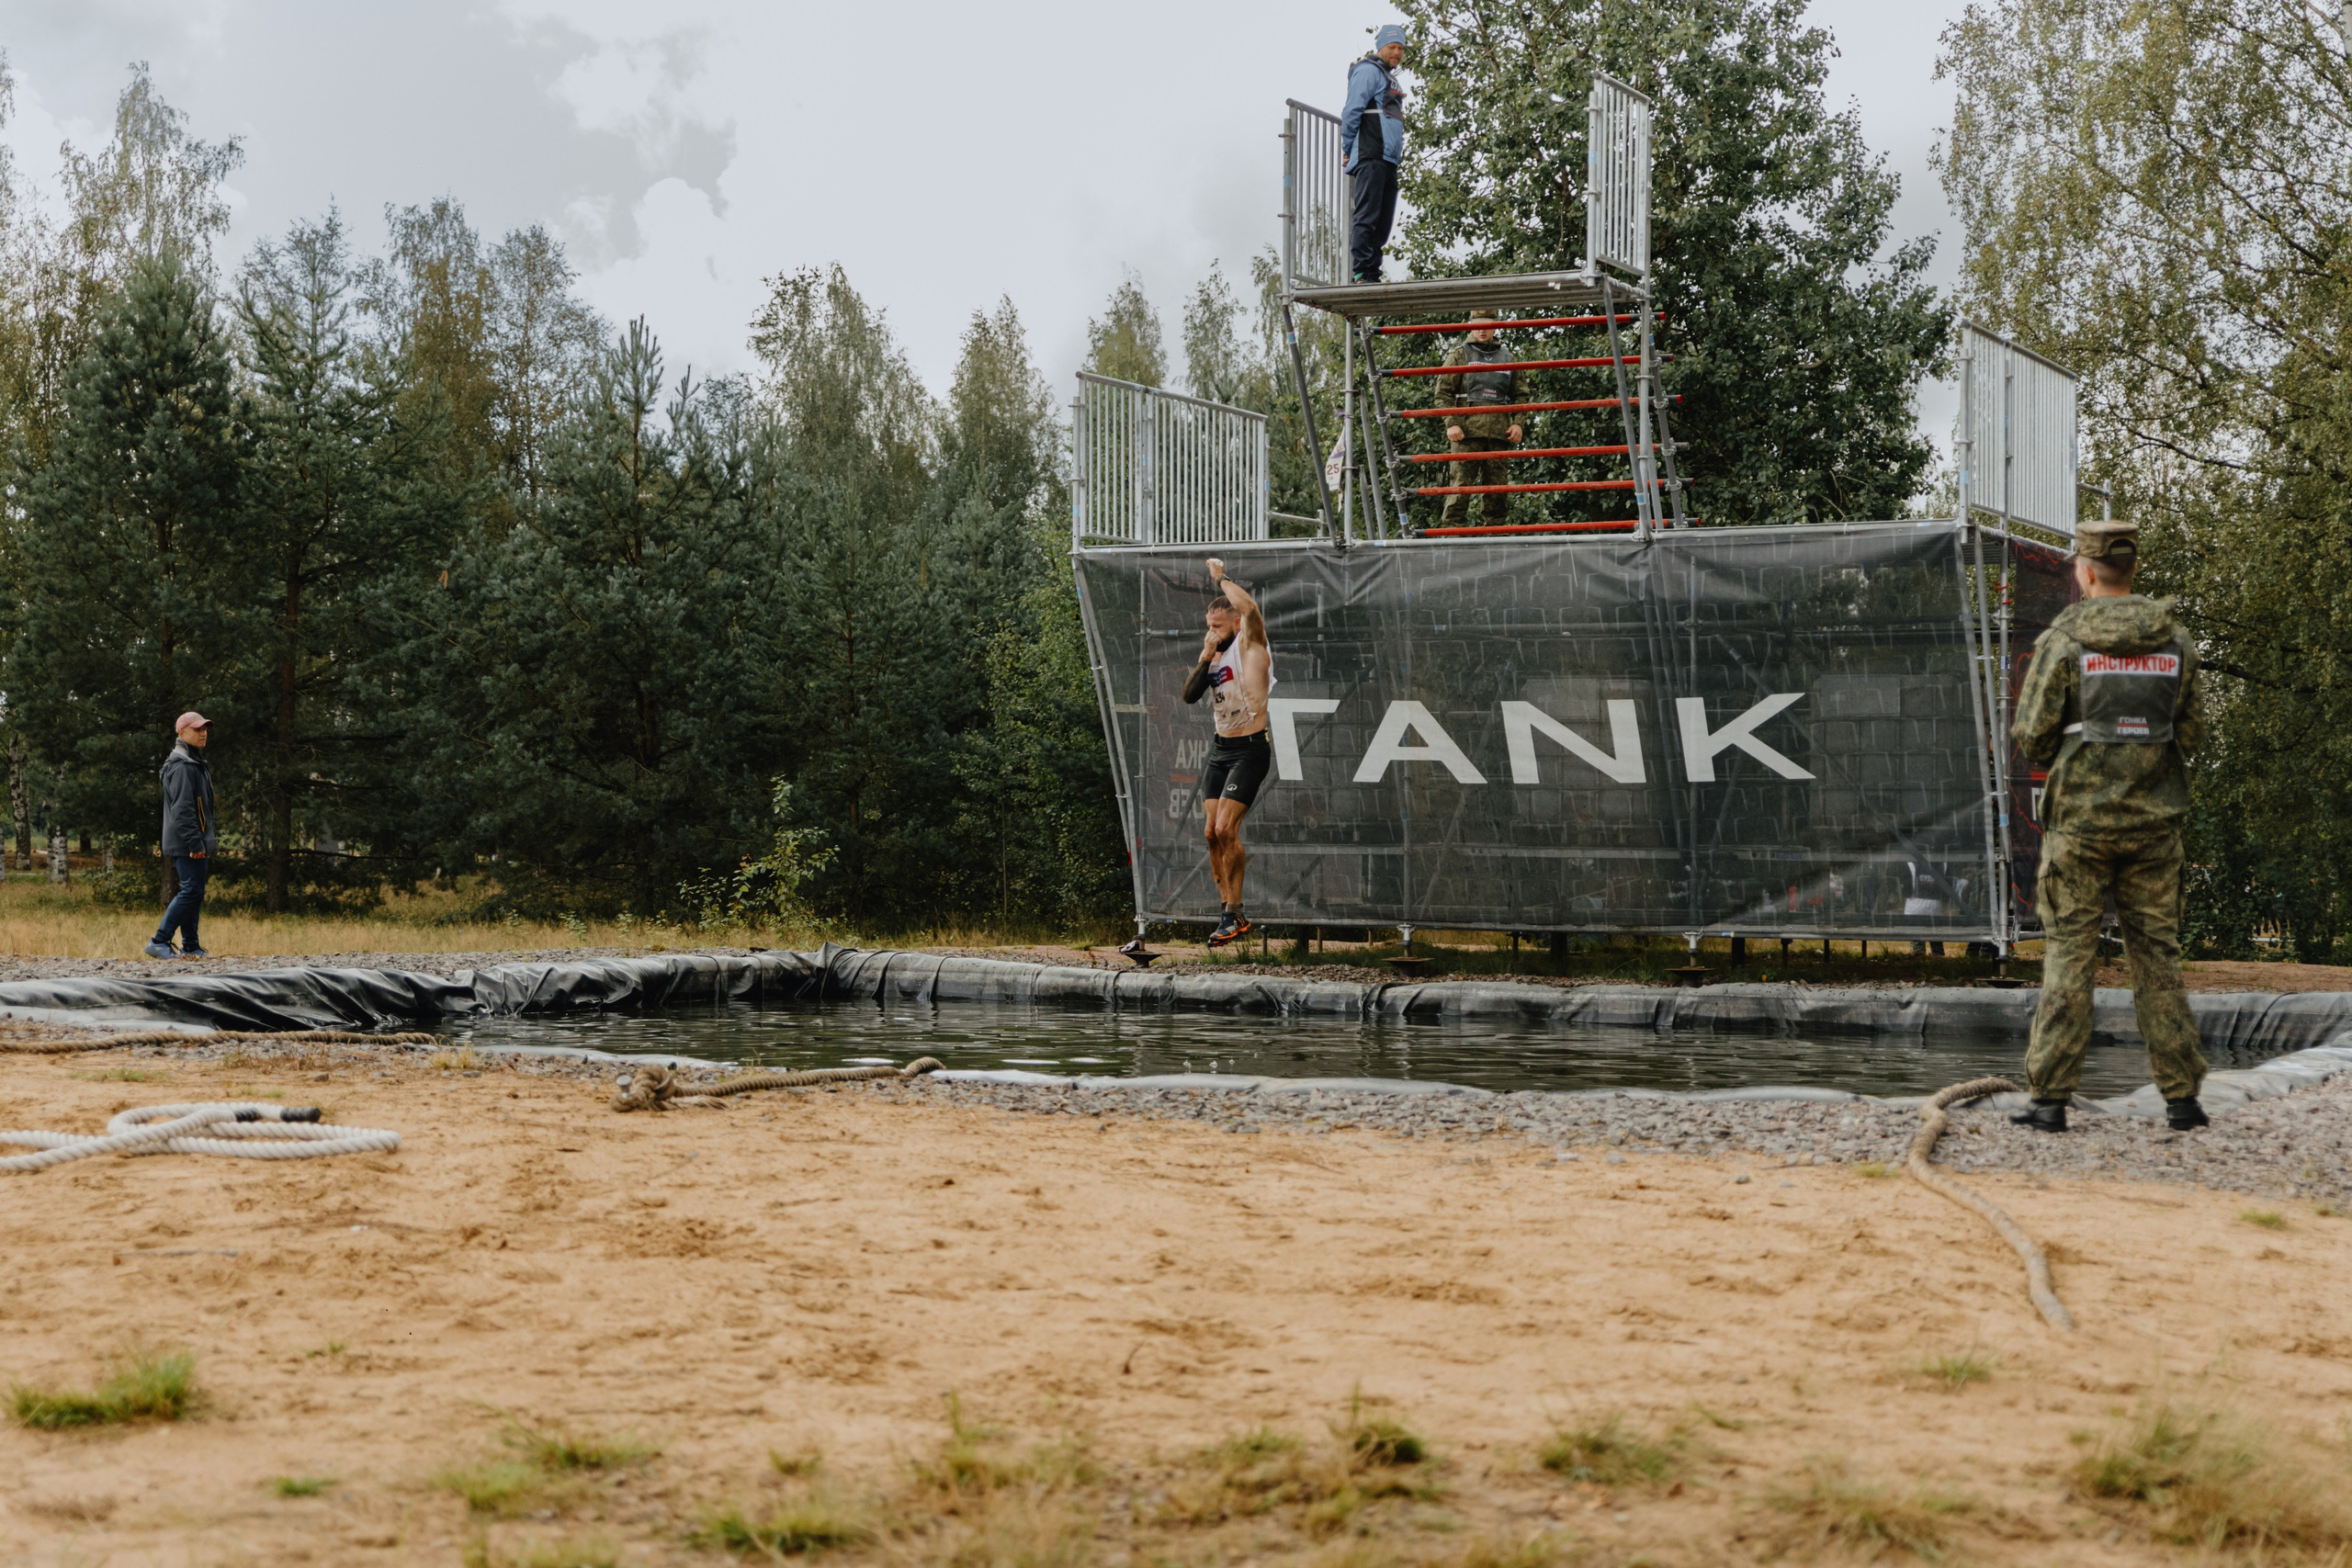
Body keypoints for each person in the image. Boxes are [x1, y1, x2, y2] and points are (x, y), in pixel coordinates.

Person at [2009, 520, 2206, 1133]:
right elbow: (2193, 734)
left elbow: (2031, 737)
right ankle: (2182, 1101)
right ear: (2133, 568)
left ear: (2086, 571)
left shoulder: (2065, 642)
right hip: (2154, 831)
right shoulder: (2176, 643)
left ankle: (2049, 1102)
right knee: (2158, 959)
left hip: (2081, 831)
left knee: (2068, 957)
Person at [1181, 558, 1273, 947]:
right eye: (1208, 628)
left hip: (1250, 749)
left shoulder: (1251, 643)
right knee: (1209, 833)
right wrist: (1204, 655)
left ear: (1235, 625)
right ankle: (1227, 914)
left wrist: (1220, 578)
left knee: (1225, 829)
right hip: (1221, 749)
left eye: (1217, 627)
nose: (1212, 633)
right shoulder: (1214, 655)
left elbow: (1250, 608)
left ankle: (1234, 913)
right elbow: (1188, 696)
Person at [1435, 311, 1523, 526]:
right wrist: (1452, 422)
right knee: (1460, 489)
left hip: (1499, 434)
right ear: (1471, 327)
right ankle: (1451, 539)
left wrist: (1518, 422)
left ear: (1495, 327)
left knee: (1497, 493)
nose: (1482, 330)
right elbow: (1443, 393)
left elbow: (1521, 394)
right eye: (1477, 325)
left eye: (1487, 326)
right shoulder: (1459, 355)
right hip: (1467, 433)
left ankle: (1496, 540)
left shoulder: (1508, 357)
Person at [145, 712, 217, 961]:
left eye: (205, 729)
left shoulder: (194, 763)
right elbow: (183, 809)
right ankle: (159, 940)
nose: (203, 733)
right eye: (197, 729)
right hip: (187, 841)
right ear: (182, 733)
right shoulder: (183, 767)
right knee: (190, 891)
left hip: (192, 840)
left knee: (194, 891)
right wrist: (195, 842)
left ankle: (191, 945)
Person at [1342, 25, 1407, 284]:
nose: (1397, 52)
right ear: (1380, 47)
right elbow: (1351, 111)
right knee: (1367, 215)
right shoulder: (1368, 70)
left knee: (1383, 219)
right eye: (1392, 47)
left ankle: (1373, 272)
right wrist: (1348, 148)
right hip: (1371, 152)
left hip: (1388, 158)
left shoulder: (1390, 77)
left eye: (1401, 48)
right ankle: (1362, 270)